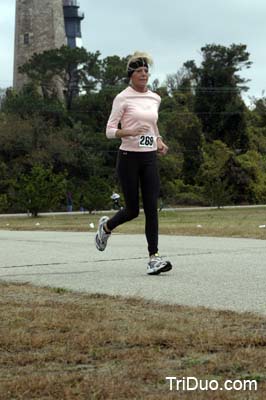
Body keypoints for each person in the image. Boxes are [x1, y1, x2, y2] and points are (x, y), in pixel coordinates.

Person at [95, 51, 172, 275]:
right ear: (131, 75)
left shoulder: (155, 98)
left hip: (149, 158)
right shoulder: (123, 98)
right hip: (128, 158)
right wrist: (129, 131)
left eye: (146, 71)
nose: (144, 74)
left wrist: (158, 141)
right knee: (132, 210)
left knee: (151, 208)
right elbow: (109, 131)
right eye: (139, 71)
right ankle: (106, 227)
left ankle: (153, 258)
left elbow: (152, 126)